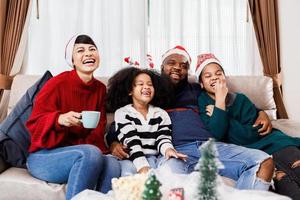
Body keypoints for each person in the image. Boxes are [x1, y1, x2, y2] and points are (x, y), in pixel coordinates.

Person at [107, 46, 274, 190]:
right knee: (169, 182)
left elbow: (231, 102)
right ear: (161, 66)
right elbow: (123, 122)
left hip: (210, 147)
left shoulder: (197, 90)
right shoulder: (150, 91)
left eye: (184, 65)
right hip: (176, 152)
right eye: (171, 63)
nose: (178, 68)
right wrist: (114, 143)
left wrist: (261, 112)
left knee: (263, 162)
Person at [26, 34, 121, 200]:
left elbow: (98, 130)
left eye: (93, 49)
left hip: (83, 154)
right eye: (80, 50)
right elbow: (33, 125)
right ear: (72, 60)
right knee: (90, 153)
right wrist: (59, 119)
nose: (89, 53)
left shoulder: (99, 89)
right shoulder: (57, 83)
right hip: (44, 157)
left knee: (112, 164)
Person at [196, 53, 300, 199]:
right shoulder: (203, 103)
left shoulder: (240, 99)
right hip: (255, 155)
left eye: (219, 73)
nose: (214, 77)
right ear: (201, 83)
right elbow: (218, 134)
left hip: (274, 142)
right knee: (288, 186)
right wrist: (220, 101)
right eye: (207, 76)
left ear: (224, 78)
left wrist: (221, 114)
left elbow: (253, 133)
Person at [106, 67, 187, 176]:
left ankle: (172, 191)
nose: (146, 87)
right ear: (130, 91)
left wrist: (168, 150)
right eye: (140, 84)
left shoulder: (161, 114)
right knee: (128, 174)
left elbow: (163, 138)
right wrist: (142, 166)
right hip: (131, 159)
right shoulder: (122, 113)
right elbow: (131, 141)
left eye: (150, 84)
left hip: (155, 157)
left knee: (175, 163)